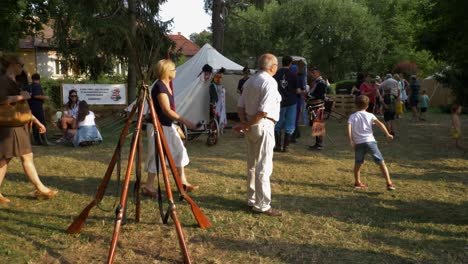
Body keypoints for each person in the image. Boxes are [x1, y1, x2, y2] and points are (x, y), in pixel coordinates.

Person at [0, 52, 58, 204]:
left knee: (6, 159)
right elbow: (2, 100)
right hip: (10, 127)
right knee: (20, 157)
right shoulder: (3, 81)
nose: (23, 67)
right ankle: (41, 188)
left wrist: (37, 122)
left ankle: (41, 188)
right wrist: (22, 96)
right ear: (13, 64)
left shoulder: (15, 82)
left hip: (18, 125)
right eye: (21, 64)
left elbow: (22, 108)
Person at [143, 59, 199, 198]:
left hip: (167, 126)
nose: (175, 71)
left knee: (179, 151)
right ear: (167, 71)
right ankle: (148, 186)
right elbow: (166, 110)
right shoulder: (160, 87)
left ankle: (182, 182)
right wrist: (186, 122)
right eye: (173, 69)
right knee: (156, 156)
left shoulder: (167, 85)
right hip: (158, 127)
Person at [237, 53, 282, 216]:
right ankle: (262, 204)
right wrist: (247, 124)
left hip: (252, 125)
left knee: (252, 165)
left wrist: (244, 123)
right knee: (263, 165)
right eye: (276, 65)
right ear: (272, 66)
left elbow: (240, 106)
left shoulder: (250, 81)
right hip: (262, 125)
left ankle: (252, 199)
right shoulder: (269, 82)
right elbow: (263, 111)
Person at [347, 95, 395, 190]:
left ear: (356, 105)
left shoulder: (352, 116)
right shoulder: (370, 115)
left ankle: (357, 182)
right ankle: (389, 183)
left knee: (358, 163)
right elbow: (380, 124)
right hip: (370, 142)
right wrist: (388, 134)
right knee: (381, 162)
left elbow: (348, 127)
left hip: (359, 144)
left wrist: (351, 140)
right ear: (367, 106)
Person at [273, 56, 302, 152]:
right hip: (291, 102)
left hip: (279, 102)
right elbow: (298, 91)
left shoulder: (276, 74)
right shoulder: (294, 75)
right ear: (290, 63)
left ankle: (277, 146)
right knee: (290, 125)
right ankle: (286, 147)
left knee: (277, 123)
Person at [28, 73, 52, 145]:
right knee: (42, 123)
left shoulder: (29, 86)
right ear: (39, 79)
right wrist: (45, 97)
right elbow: (36, 95)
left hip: (31, 107)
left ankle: (37, 141)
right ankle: (45, 141)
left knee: (35, 124)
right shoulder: (37, 86)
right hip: (37, 107)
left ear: (32, 79)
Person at [307, 66, 328, 150]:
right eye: (311, 73)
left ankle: (319, 144)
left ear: (318, 73)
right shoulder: (316, 82)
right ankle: (317, 143)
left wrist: (309, 95)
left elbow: (321, 95)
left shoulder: (321, 82)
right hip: (313, 106)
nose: (312, 75)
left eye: (314, 73)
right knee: (315, 124)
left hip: (318, 106)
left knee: (318, 124)